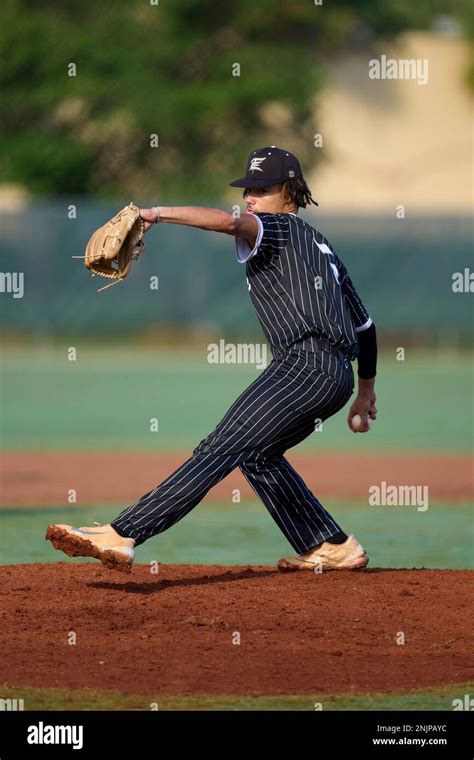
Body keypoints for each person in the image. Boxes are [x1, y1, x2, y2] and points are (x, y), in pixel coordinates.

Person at [46, 146, 377, 574]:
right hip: (334, 377)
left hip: (304, 365)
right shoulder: (322, 246)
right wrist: (364, 391)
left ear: (290, 191)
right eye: (248, 188)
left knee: (219, 447)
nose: (251, 196)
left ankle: (123, 533)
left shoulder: (274, 227)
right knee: (256, 454)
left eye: (263, 188)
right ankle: (328, 545)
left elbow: (231, 221)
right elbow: (365, 326)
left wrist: (155, 214)